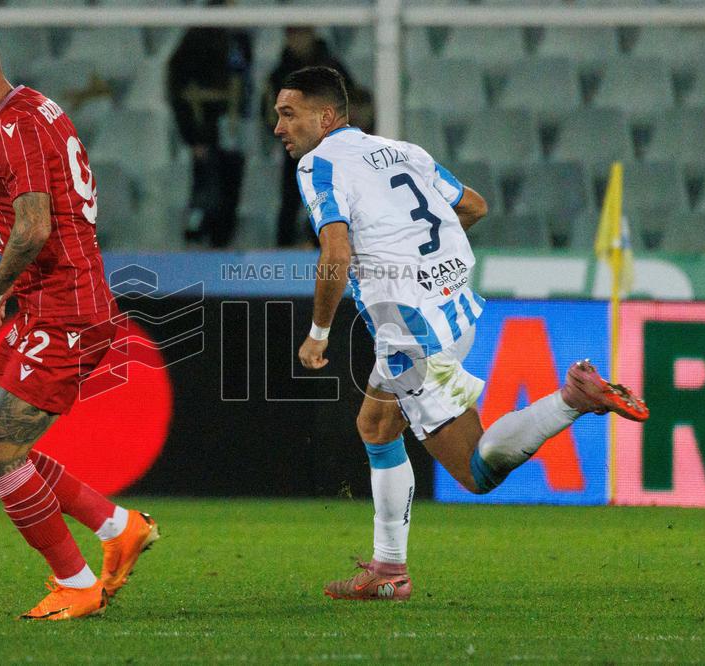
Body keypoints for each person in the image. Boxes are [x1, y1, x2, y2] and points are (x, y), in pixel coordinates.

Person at [273, 66, 649, 601]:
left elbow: (336, 253)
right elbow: (473, 205)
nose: (278, 127)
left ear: (326, 116)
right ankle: (388, 570)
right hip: (453, 306)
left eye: (288, 114)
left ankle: (571, 399)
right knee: (377, 425)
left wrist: (318, 332)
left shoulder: (318, 165)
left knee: (477, 473)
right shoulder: (403, 151)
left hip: (412, 334)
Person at [0, 23, 159, 621]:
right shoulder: (30, 110)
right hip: (44, 304)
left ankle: (77, 584)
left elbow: (34, 228)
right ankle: (119, 527)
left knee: (2, 453)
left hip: (68, 311)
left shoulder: (13, 127)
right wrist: (12, 294)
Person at [167, 3, 251, 247]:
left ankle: (220, 252)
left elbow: (243, 86)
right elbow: (181, 92)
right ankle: (197, 251)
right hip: (206, 133)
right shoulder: (194, 43)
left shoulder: (240, 41)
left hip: (234, 131)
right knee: (204, 197)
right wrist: (194, 137)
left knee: (229, 196)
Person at [265, 27, 355, 248]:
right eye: (292, 34)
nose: (296, 40)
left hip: (330, 147)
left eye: (301, 33)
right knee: (292, 197)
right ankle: (285, 250)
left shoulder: (332, 68)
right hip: (298, 148)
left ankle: (325, 247)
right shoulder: (281, 72)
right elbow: (270, 109)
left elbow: (350, 99)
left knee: (330, 197)